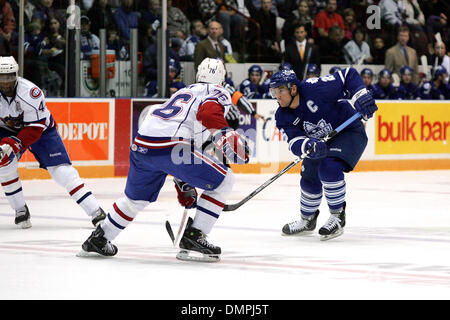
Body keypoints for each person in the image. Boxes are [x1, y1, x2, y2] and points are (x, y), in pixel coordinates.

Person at [79, 58, 250, 262]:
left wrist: (184, 183)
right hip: (171, 147)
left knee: (134, 201)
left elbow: (184, 141)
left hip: (142, 146)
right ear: (222, 79)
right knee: (225, 180)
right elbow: (208, 112)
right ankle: (195, 237)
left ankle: (99, 239)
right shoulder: (219, 92)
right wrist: (224, 134)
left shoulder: (183, 91)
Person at [269, 67, 377, 240]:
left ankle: (337, 216)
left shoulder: (315, 88)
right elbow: (294, 142)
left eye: (280, 90)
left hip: (348, 132)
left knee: (329, 168)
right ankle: (307, 219)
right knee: (309, 176)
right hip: (320, 143)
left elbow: (348, 74)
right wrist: (307, 145)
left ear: (293, 88)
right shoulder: (282, 115)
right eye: (274, 91)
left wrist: (360, 95)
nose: (277, 95)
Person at [0, 56, 106, 229]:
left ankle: (96, 211)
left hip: (41, 130)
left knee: (62, 172)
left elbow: (35, 128)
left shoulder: (30, 92)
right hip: (7, 129)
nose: (6, 82)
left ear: (16, 74)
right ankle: (20, 210)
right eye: (2, 77)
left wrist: (14, 143)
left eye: (9, 76)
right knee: (4, 165)